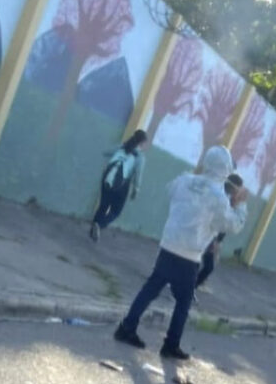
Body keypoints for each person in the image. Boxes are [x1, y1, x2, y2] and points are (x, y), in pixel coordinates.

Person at [113, 146, 248, 361]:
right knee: (183, 303)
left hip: (169, 245)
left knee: (151, 288)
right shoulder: (218, 197)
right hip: (189, 255)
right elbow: (231, 225)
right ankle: (170, 344)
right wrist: (240, 205)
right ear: (225, 170)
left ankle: (127, 327)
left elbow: (172, 192)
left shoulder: (185, 180)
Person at [193, 173, 244, 304]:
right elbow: (224, 222)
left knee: (205, 265)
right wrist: (215, 241)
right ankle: (185, 287)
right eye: (238, 189)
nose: (238, 192)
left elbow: (225, 225)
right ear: (234, 188)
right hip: (206, 235)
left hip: (211, 237)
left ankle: (189, 287)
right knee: (199, 263)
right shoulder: (222, 198)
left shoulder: (229, 200)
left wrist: (218, 241)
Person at [90, 129, 148, 241]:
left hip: (107, 178)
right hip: (122, 184)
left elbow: (106, 152)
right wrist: (136, 190)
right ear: (142, 143)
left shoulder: (122, 147)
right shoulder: (140, 157)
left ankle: (94, 226)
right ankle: (100, 225)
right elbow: (138, 174)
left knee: (103, 205)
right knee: (116, 211)